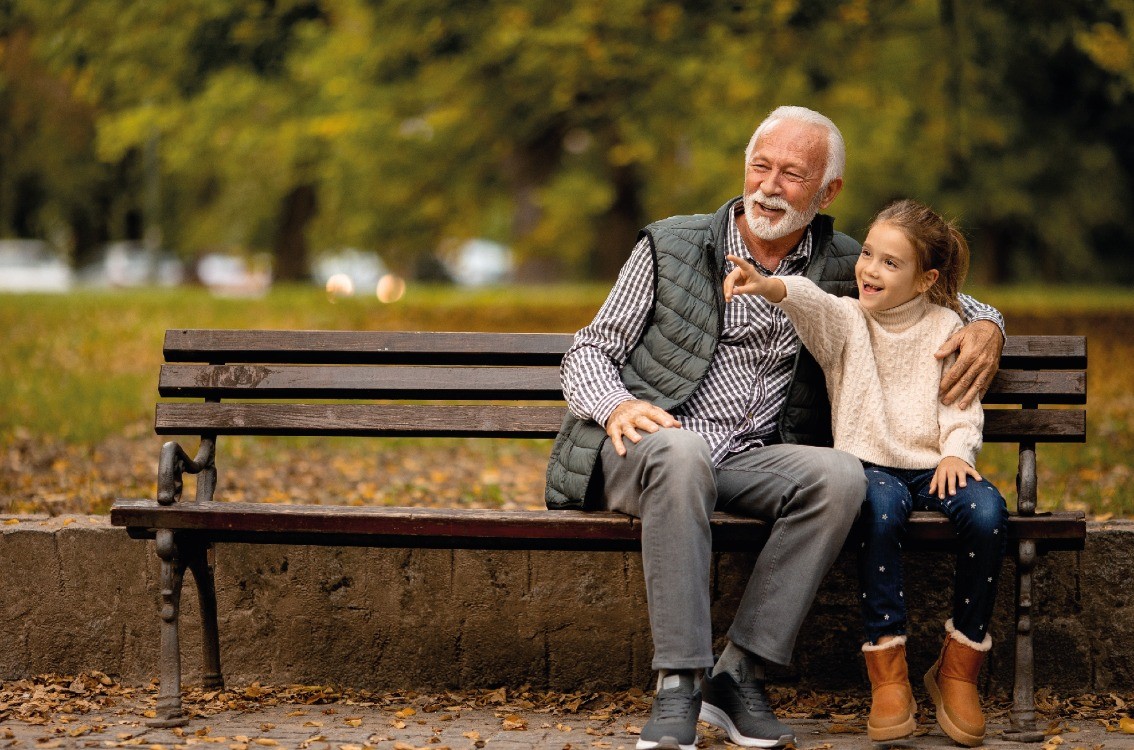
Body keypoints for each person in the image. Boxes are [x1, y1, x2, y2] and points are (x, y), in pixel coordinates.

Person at [545, 106, 1005, 750]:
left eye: (792, 175)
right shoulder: (669, 245)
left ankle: (738, 675)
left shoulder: (849, 263)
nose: (768, 185)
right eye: (760, 166)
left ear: (827, 192)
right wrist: (617, 406)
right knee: (681, 452)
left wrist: (989, 324)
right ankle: (679, 682)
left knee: (842, 475)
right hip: (647, 449)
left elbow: (939, 292)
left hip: (750, 459)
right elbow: (588, 351)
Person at [723, 198, 1008, 747]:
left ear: (926, 280)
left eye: (890, 263)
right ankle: (889, 669)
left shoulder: (948, 325)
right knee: (879, 513)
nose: (869, 269)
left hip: (934, 465)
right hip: (867, 466)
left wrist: (957, 454)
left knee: (988, 512)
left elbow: (960, 402)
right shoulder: (848, 320)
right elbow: (809, 300)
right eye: (869, 255)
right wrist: (771, 286)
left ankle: (958, 667)